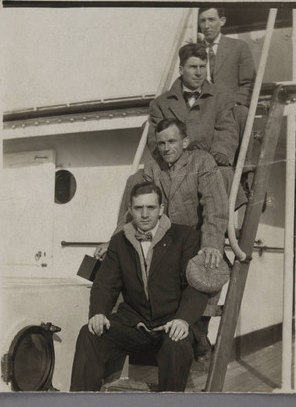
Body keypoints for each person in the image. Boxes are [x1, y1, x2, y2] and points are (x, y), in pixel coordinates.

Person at [97, 119, 229, 361]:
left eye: (172, 141)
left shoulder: (202, 162)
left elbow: (215, 206)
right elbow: (134, 212)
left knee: (206, 272)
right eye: (161, 143)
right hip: (165, 242)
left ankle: (198, 335)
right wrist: (113, 240)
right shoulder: (152, 167)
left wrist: (211, 244)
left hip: (196, 241)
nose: (167, 148)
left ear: (185, 142)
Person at [71, 182, 208, 392]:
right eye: (138, 208)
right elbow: (105, 285)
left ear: (161, 209)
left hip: (171, 323)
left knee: (177, 344)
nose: (144, 214)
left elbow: (196, 286)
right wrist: (98, 313)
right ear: (130, 209)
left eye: (151, 208)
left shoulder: (185, 237)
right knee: (89, 334)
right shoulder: (119, 241)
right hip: (134, 324)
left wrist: (183, 319)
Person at [147, 43, 239, 178]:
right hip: (175, 165)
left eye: (202, 67)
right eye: (193, 67)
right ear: (181, 69)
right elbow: (155, 139)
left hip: (211, 161)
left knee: (225, 176)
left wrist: (220, 152)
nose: (198, 73)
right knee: (137, 180)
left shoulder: (220, 97)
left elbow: (226, 128)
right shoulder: (160, 103)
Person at [198, 7, 256, 144]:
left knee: (242, 115)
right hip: (203, 111)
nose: (206, 26)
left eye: (211, 20)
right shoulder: (194, 50)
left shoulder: (239, 46)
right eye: (202, 21)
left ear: (222, 21)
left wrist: (235, 104)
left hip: (231, 109)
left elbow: (249, 83)